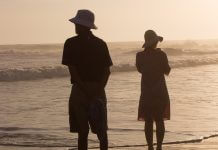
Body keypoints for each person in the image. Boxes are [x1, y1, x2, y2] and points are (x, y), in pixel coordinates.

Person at [62, 9, 113, 150]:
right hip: (98, 89)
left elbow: (73, 71)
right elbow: (107, 72)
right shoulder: (101, 44)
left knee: (82, 132)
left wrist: (85, 89)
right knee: (102, 131)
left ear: (81, 25)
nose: (75, 26)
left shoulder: (70, 43)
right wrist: (98, 90)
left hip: (79, 90)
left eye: (77, 24)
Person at [136, 30, 171, 150]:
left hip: (146, 91)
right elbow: (167, 71)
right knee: (159, 120)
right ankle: (159, 146)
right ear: (155, 42)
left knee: (148, 121)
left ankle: (150, 146)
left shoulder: (139, 55)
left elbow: (140, 70)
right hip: (160, 90)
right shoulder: (161, 55)